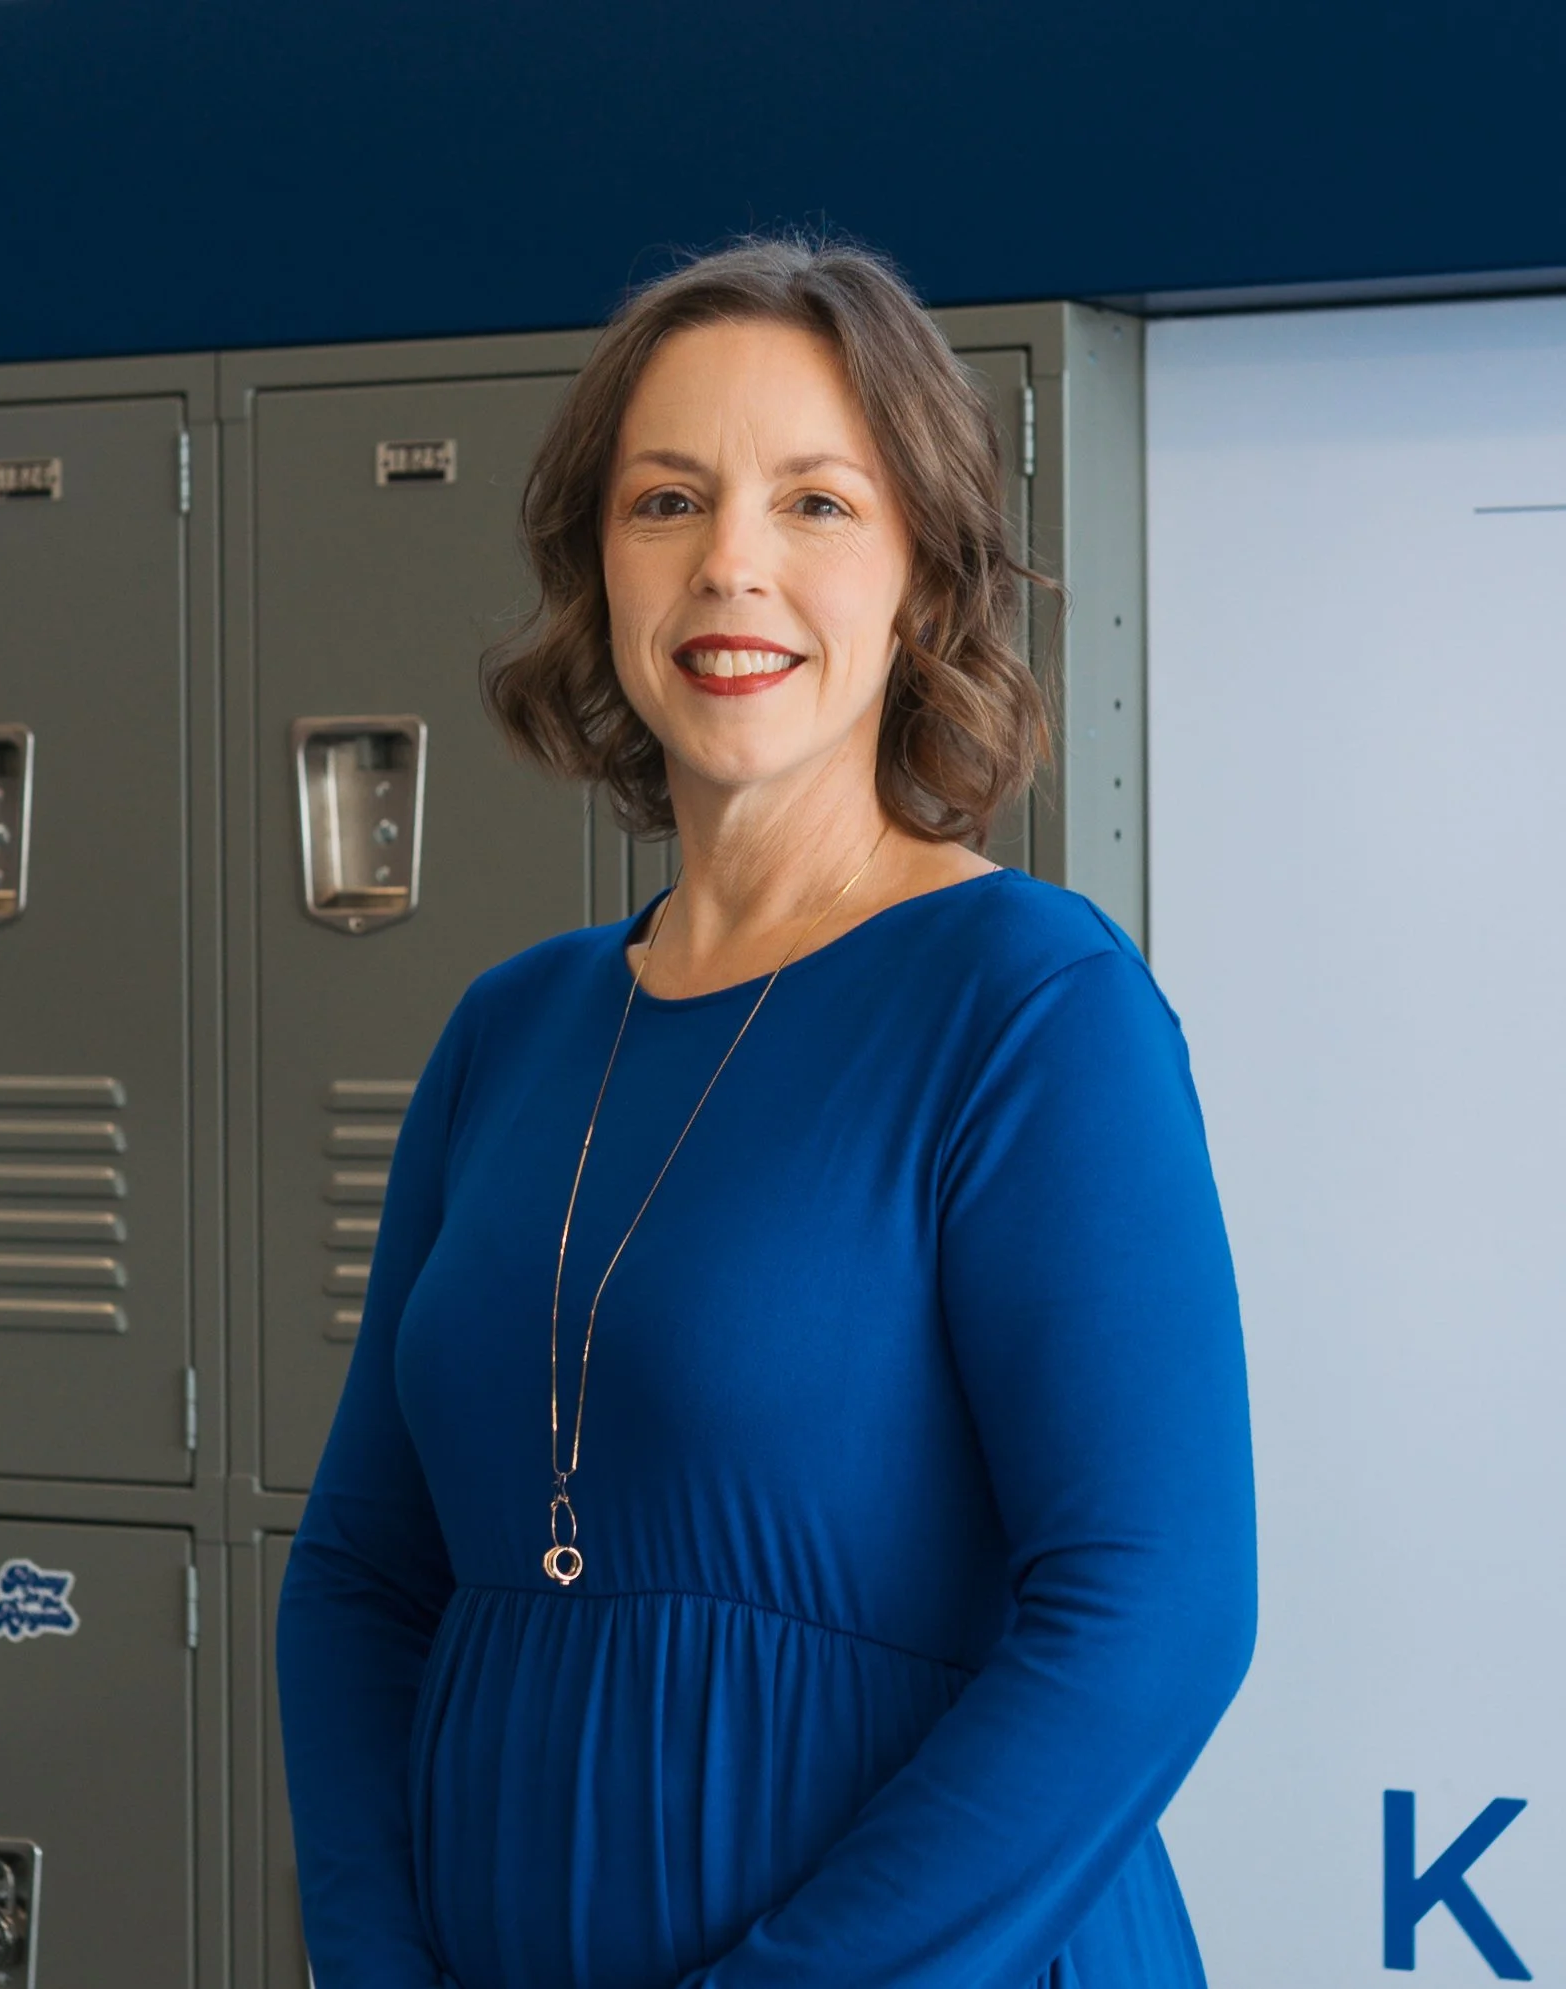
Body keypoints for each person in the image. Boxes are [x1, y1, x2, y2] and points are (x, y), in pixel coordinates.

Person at [275, 232, 1258, 1989]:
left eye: (815, 503)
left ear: (922, 577)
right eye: (666, 502)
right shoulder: (512, 1029)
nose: (730, 563)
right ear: (598, 566)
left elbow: (1152, 1618)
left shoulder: (1029, 1005)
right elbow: (360, 1572)